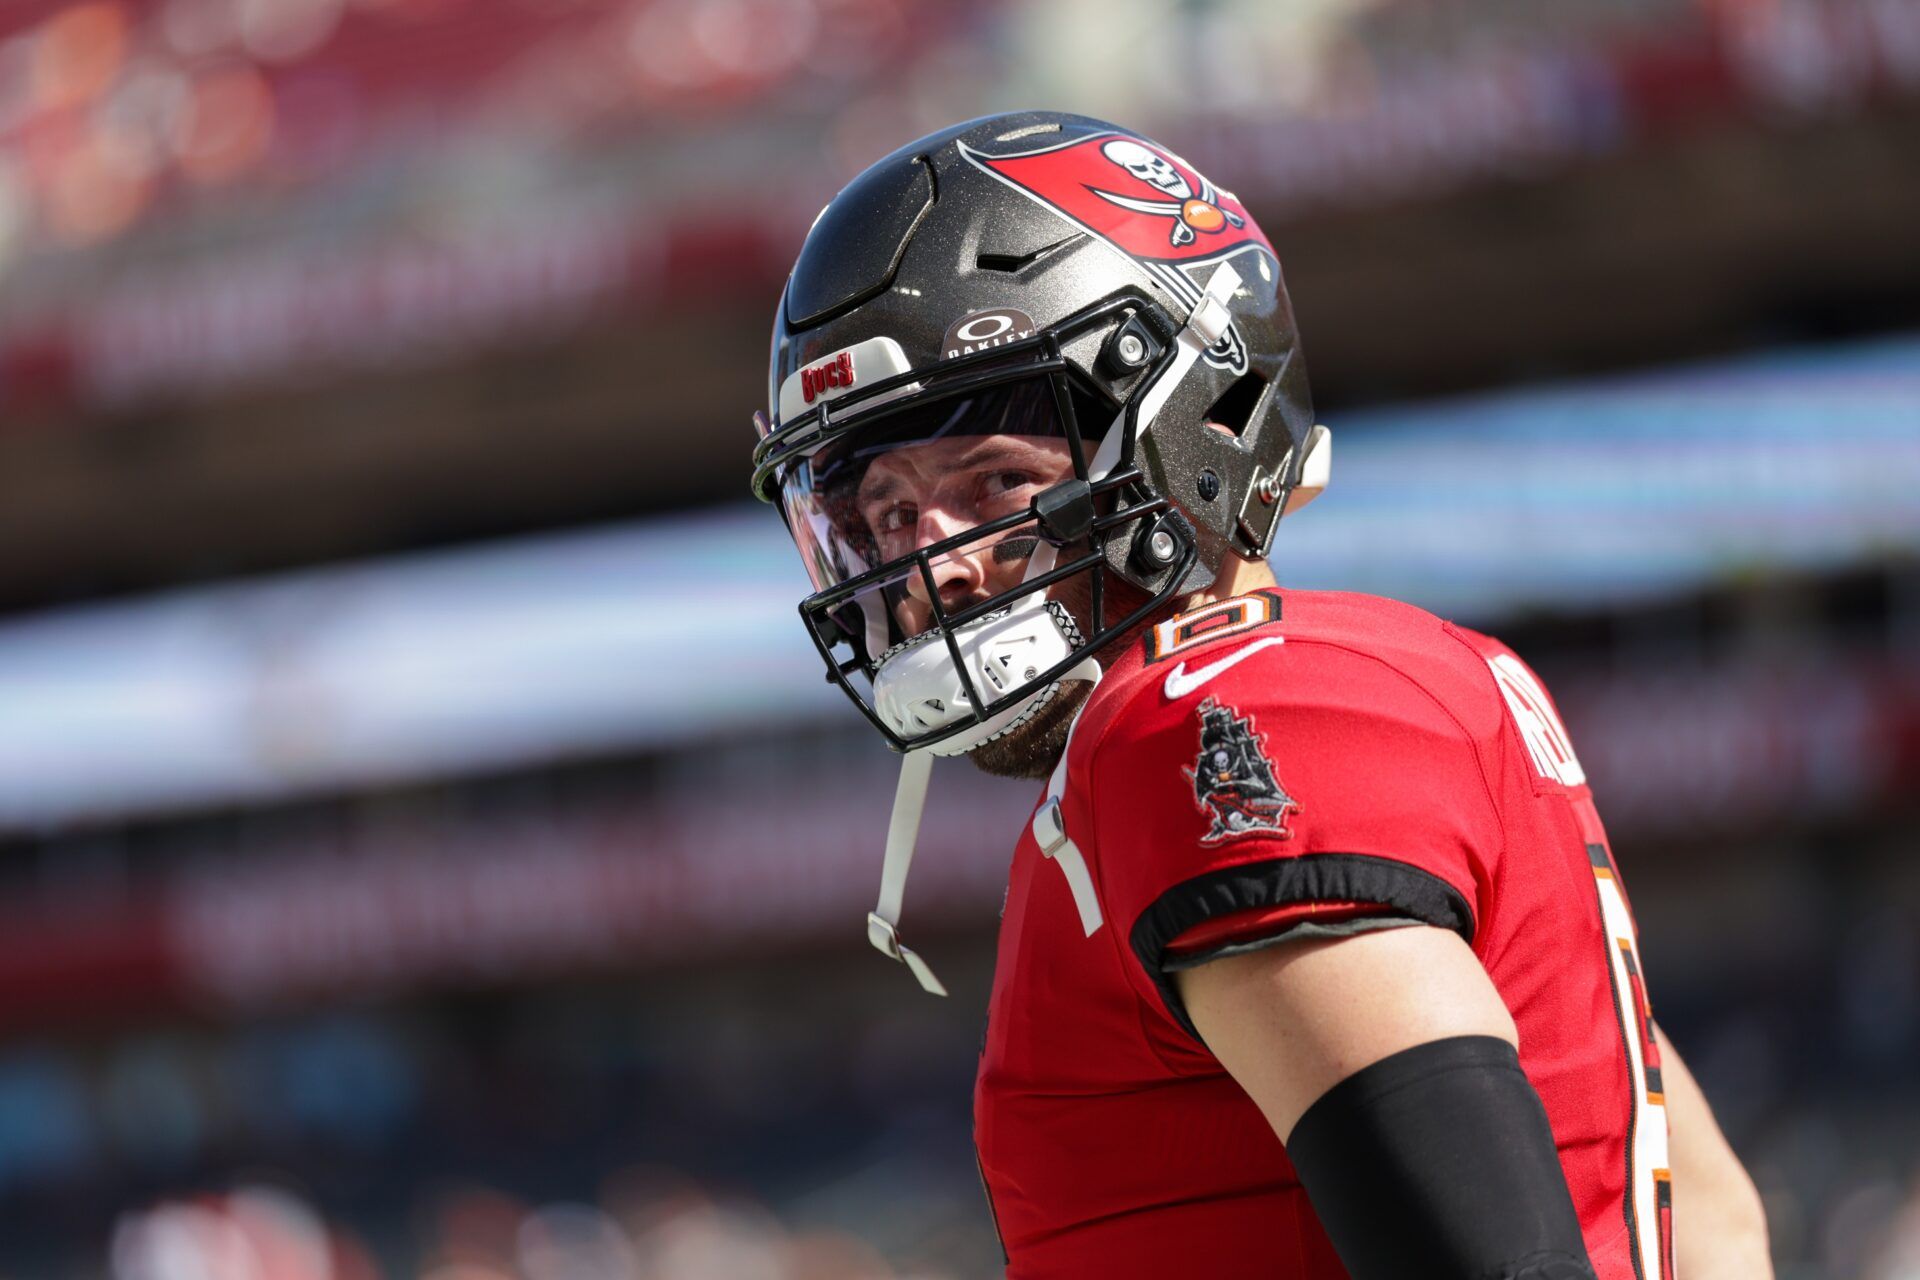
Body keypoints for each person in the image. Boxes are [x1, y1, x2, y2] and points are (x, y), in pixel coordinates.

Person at [749, 111, 1770, 1280]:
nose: (943, 563)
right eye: (886, 513)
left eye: (994, 480)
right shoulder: (1362, 683)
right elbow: (1718, 1222)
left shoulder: (1209, 715)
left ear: (1197, 419)